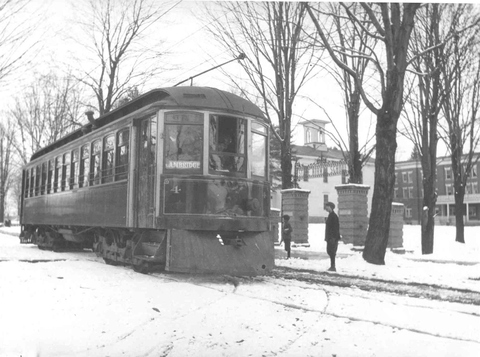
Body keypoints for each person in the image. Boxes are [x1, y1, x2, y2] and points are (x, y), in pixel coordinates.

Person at [324, 202, 340, 271]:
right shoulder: (330, 215)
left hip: (332, 237)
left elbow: (335, 227)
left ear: (330, 207)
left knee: (331, 251)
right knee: (329, 251)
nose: (325, 208)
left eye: (327, 207)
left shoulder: (333, 216)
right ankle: (332, 266)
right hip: (330, 237)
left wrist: (333, 237)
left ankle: (333, 266)